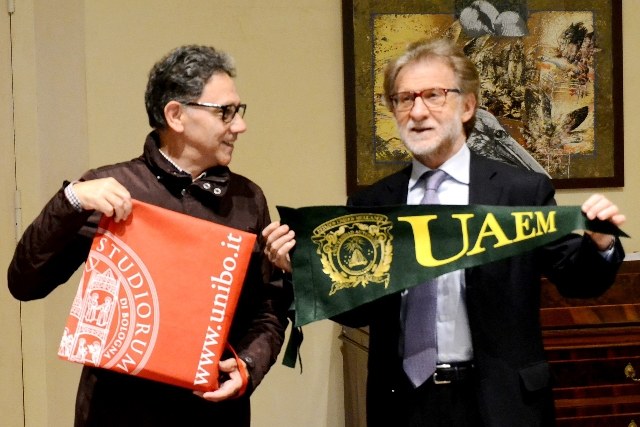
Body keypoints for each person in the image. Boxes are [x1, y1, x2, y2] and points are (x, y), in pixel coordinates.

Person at [262, 38, 626, 427]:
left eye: (434, 95)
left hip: (501, 403)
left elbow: (578, 281)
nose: (418, 111)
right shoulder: (373, 203)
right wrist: (300, 270)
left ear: (467, 105)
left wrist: (600, 242)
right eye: (404, 99)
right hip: (403, 404)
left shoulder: (520, 192)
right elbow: (359, 310)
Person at [8, 45, 291, 427]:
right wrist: (70, 201)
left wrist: (249, 365)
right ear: (175, 115)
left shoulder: (247, 199)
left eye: (238, 111)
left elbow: (269, 306)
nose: (239, 126)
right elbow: (25, 283)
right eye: (225, 112)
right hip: (118, 412)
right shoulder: (110, 187)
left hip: (212, 412)